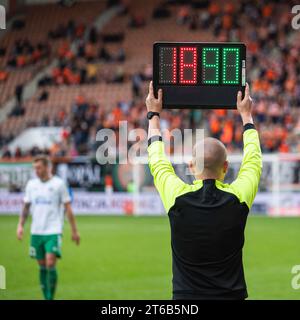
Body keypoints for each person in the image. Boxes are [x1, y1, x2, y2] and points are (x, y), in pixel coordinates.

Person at [146, 81, 262, 300]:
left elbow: (157, 159)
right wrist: (246, 116)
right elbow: (253, 160)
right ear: (225, 167)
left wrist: (153, 113)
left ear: (192, 166)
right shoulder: (238, 198)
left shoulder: (177, 198)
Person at [16, 155, 80, 300]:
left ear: (47, 167)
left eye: (39, 168)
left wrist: (74, 231)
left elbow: (68, 208)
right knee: (42, 265)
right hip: (36, 231)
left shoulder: (59, 184)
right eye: (35, 168)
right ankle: (46, 296)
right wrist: (20, 225)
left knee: (50, 262)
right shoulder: (31, 185)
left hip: (54, 230)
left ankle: (50, 297)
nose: (36, 171)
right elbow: (26, 207)